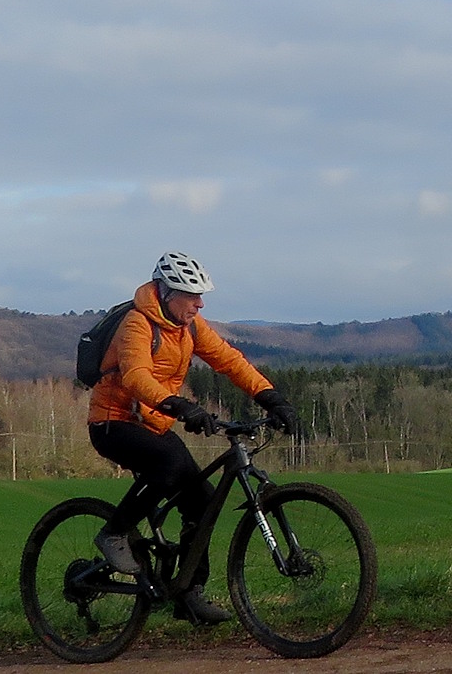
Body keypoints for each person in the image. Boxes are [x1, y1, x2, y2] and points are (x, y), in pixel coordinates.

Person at [86, 252, 299, 625]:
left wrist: (271, 398)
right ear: (168, 293)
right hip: (113, 422)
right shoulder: (137, 324)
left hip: (154, 423)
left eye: (201, 295)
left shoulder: (191, 327)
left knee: (202, 500)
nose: (199, 304)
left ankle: (188, 593)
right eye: (191, 295)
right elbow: (136, 376)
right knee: (168, 465)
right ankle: (114, 533)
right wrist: (180, 406)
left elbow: (230, 361)